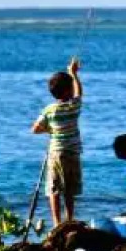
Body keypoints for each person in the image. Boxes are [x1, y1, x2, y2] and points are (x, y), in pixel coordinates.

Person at [30, 57, 82, 229]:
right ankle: (69, 219)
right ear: (68, 91)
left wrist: (50, 129)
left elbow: (35, 129)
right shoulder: (73, 107)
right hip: (72, 153)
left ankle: (56, 222)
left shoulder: (49, 110)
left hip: (55, 153)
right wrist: (73, 74)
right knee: (69, 190)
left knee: (54, 188)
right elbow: (79, 94)